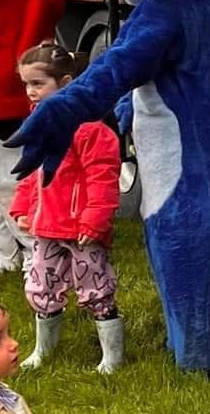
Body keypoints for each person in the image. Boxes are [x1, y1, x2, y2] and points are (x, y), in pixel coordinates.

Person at [8, 43, 125, 374]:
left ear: (66, 82)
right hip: (46, 226)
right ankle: (43, 350)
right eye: (26, 84)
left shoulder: (90, 129)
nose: (30, 91)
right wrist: (22, 206)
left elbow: (102, 179)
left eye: (38, 83)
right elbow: (31, 171)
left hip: (81, 230)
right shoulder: (39, 123)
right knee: (41, 284)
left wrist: (94, 220)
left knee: (95, 286)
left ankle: (112, 357)